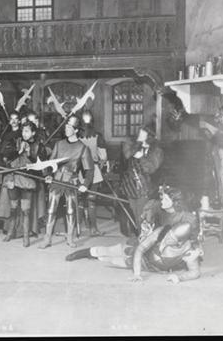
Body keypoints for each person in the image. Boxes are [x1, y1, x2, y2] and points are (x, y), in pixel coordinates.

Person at [65, 222, 203, 284]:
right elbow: (141, 249)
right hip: (139, 251)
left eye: (172, 238)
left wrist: (180, 278)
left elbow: (195, 272)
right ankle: (84, 253)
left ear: (180, 242)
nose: (167, 238)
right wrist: (136, 274)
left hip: (150, 266)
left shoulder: (189, 251)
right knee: (111, 250)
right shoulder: (161, 231)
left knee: (112, 261)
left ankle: (97, 257)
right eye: (170, 233)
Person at [39, 115, 93, 249]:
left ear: (76, 130)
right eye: (66, 126)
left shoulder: (83, 148)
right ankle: (47, 238)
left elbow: (89, 170)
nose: (66, 129)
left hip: (71, 182)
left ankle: (70, 237)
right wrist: (48, 175)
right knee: (51, 210)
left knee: (70, 210)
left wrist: (85, 185)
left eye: (69, 127)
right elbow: (50, 163)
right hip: (57, 180)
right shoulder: (59, 144)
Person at [3, 121, 48, 247]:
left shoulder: (39, 146)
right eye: (23, 131)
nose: (24, 133)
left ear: (33, 132)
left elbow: (42, 165)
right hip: (14, 178)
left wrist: (29, 155)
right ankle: (10, 232)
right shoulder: (15, 142)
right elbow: (6, 156)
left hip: (28, 180)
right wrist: (19, 151)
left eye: (27, 131)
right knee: (13, 208)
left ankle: (26, 236)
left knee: (25, 210)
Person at [120, 126, 164, 234]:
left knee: (143, 215)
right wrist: (138, 143)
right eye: (139, 133)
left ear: (149, 136)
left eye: (143, 134)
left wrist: (141, 158)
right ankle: (140, 236)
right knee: (135, 214)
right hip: (131, 187)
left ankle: (145, 237)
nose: (139, 135)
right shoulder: (135, 146)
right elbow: (127, 156)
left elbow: (151, 168)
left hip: (146, 188)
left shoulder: (156, 150)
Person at [79, 110, 109, 236]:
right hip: (94, 170)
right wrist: (102, 162)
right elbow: (103, 156)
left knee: (80, 199)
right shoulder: (97, 136)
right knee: (91, 200)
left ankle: (78, 228)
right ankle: (93, 229)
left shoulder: (77, 136)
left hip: (79, 171)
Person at [0, 112, 22, 231]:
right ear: (9, 121)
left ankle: (18, 226)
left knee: (18, 195)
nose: (14, 121)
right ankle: (6, 223)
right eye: (12, 119)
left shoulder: (22, 133)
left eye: (16, 119)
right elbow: (2, 151)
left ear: (19, 121)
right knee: (6, 194)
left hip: (19, 165)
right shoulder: (5, 135)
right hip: (8, 167)